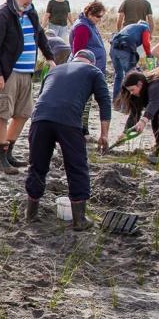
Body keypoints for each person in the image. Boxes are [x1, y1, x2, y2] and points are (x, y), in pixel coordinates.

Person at [23, 49, 111, 229]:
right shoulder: (94, 72)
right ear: (91, 63)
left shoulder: (54, 70)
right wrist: (104, 135)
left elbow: (47, 98)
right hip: (68, 121)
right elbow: (104, 102)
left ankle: (30, 214)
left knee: (37, 166)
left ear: (74, 59)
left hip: (40, 119)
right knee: (77, 167)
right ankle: (79, 220)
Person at [0, 0, 53, 175]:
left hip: (26, 72)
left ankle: (9, 152)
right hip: (7, 72)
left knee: (23, 114)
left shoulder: (31, 14)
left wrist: (50, 57)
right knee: (3, 114)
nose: (30, 0)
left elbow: (40, 35)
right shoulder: (1, 15)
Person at [109, 19, 153, 103]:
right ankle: (128, 103)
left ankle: (116, 101)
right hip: (125, 49)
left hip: (114, 48)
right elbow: (146, 44)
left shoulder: (129, 27)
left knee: (119, 75)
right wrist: (150, 59)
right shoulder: (145, 28)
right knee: (131, 77)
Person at [68, 0, 108, 76]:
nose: (100, 19)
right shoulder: (82, 28)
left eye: (101, 17)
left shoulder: (90, 24)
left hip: (94, 69)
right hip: (87, 71)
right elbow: (78, 53)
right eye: (98, 16)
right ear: (90, 14)